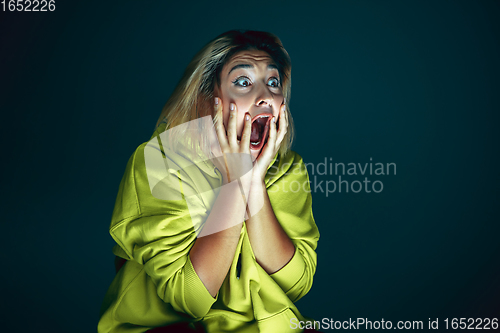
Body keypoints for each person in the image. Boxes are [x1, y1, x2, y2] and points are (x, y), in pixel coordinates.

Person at [97, 30, 320, 333]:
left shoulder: (288, 170)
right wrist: (234, 179)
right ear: (208, 99)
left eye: (273, 82)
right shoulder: (158, 161)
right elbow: (189, 297)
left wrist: (253, 181)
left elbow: (297, 282)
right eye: (243, 82)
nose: (265, 96)